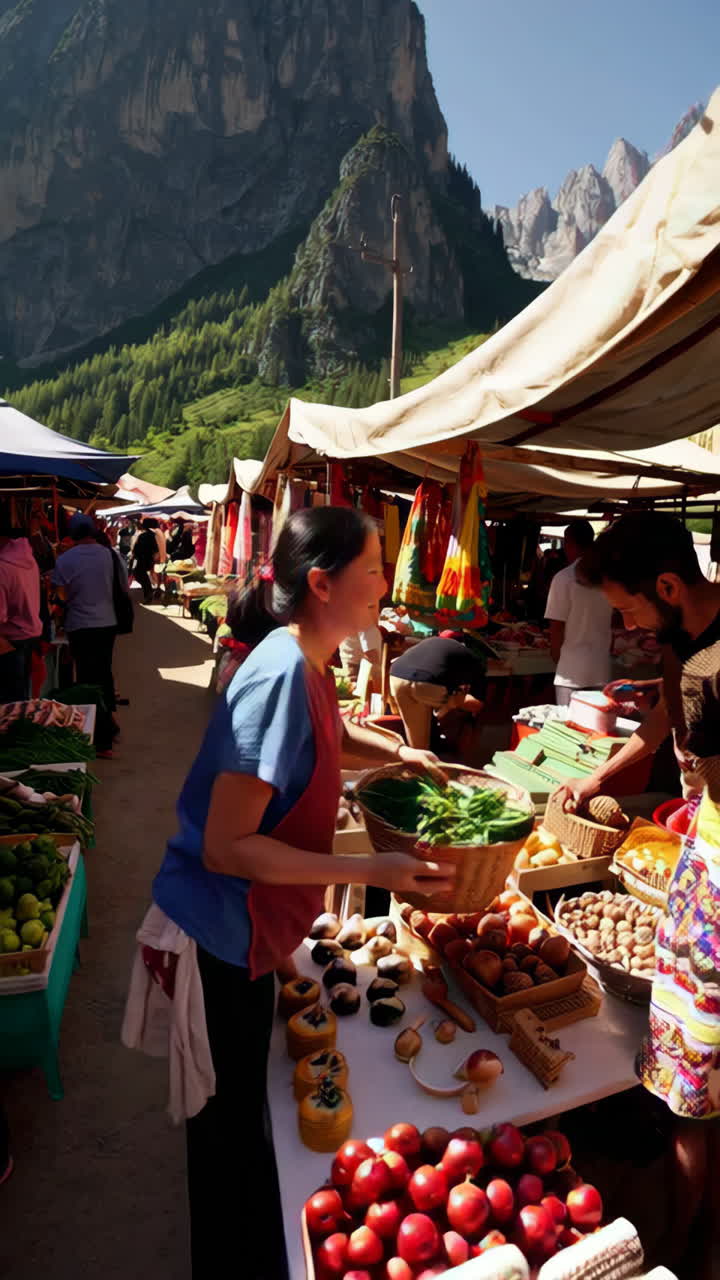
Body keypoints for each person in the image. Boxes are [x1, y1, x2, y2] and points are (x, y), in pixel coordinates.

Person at [150, 507, 454, 1280]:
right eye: (376, 569)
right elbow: (228, 846)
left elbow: (327, 736)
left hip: (251, 934)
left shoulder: (308, 659)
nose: (388, 585)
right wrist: (371, 872)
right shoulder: (281, 673)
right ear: (322, 583)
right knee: (227, 1143)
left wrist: (396, 752)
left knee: (250, 1115)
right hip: (220, 933)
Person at [553, 512, 720, 1270]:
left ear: (667, 585)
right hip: (702, 859)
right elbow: (660, 724)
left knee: (693, 1079)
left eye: (629, 608)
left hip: (715, 880)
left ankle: (686, 1239)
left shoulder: (707, 668)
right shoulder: (686, 645)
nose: (624, 624)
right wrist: (598, 774)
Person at [52, 513, 127, 756]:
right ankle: (109, 725)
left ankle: (101, 738)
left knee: (87, 680)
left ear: (72, 533)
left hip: (81, 625)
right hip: (107, 623)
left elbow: (60, 593)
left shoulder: (66, 559)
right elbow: (123, 586)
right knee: (103, 674)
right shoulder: (109, 554)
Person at [545, 519, 612, 706]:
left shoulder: (564, 577)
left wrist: (557, 658)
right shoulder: (607, 577)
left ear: (569, 543)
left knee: (569, 729)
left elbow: (556, 626)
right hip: (601, 668)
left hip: (571, 671)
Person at [389, 634, 486, 749]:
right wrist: (454, 705)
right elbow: (477, 704)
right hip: (427, 681)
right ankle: (444, 744)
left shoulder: (432, 644)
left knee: (417, 743)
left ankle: (418, 758)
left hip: (396, 675)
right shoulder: (474, 663)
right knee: (454, 700)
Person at [0, 521, 42, 702]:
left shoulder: (3, 567)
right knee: (20, 696)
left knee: (10, 702)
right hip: (29, 635)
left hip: (10, 640)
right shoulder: (28, 559)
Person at [339, 621, 382, 687]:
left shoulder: (350, 620)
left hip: (351, 667)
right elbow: (371, 654)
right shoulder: (366, 625)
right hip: (360, 671)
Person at [130, 519, 160, 603]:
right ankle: (149, 592)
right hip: (149, 559)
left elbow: (136, 549)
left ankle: (149, 593)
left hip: (143, 559)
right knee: (141, 575)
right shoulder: (153, 535)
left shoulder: (144, 535)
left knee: (139, 575)